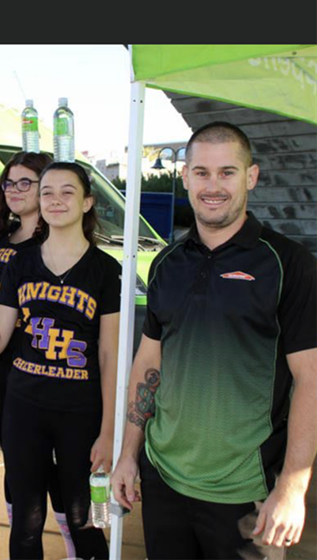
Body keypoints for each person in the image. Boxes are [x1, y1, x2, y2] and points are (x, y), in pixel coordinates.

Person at [111, 121, 317, 560]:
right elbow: (149, 362)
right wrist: (129, 453)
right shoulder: (167, 262)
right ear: (184, 177)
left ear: (251, 176)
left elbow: (310, 379)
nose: (213, 186)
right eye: (201, 172)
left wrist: (292, 487)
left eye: (227, 172)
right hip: (163, 479)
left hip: (246, 494)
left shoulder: (288, 264)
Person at [0, 161, 119, 560]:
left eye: (67, 192)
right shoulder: (20, 264)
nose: (55, 200)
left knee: (84, 518)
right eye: (47, 192)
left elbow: (109, 355)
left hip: (81, 410)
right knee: (25, 520)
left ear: (87, 201)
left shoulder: (106, 271)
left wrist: (110, 430)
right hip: (24, 406)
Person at [0, 151, 82, 557]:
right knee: (17, 467)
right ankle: (23, 539)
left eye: (27, 182)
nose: (15, 190)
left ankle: (75, 545)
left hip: (41, 368)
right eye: (9, 182)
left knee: (61, 472)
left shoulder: (54, 243)